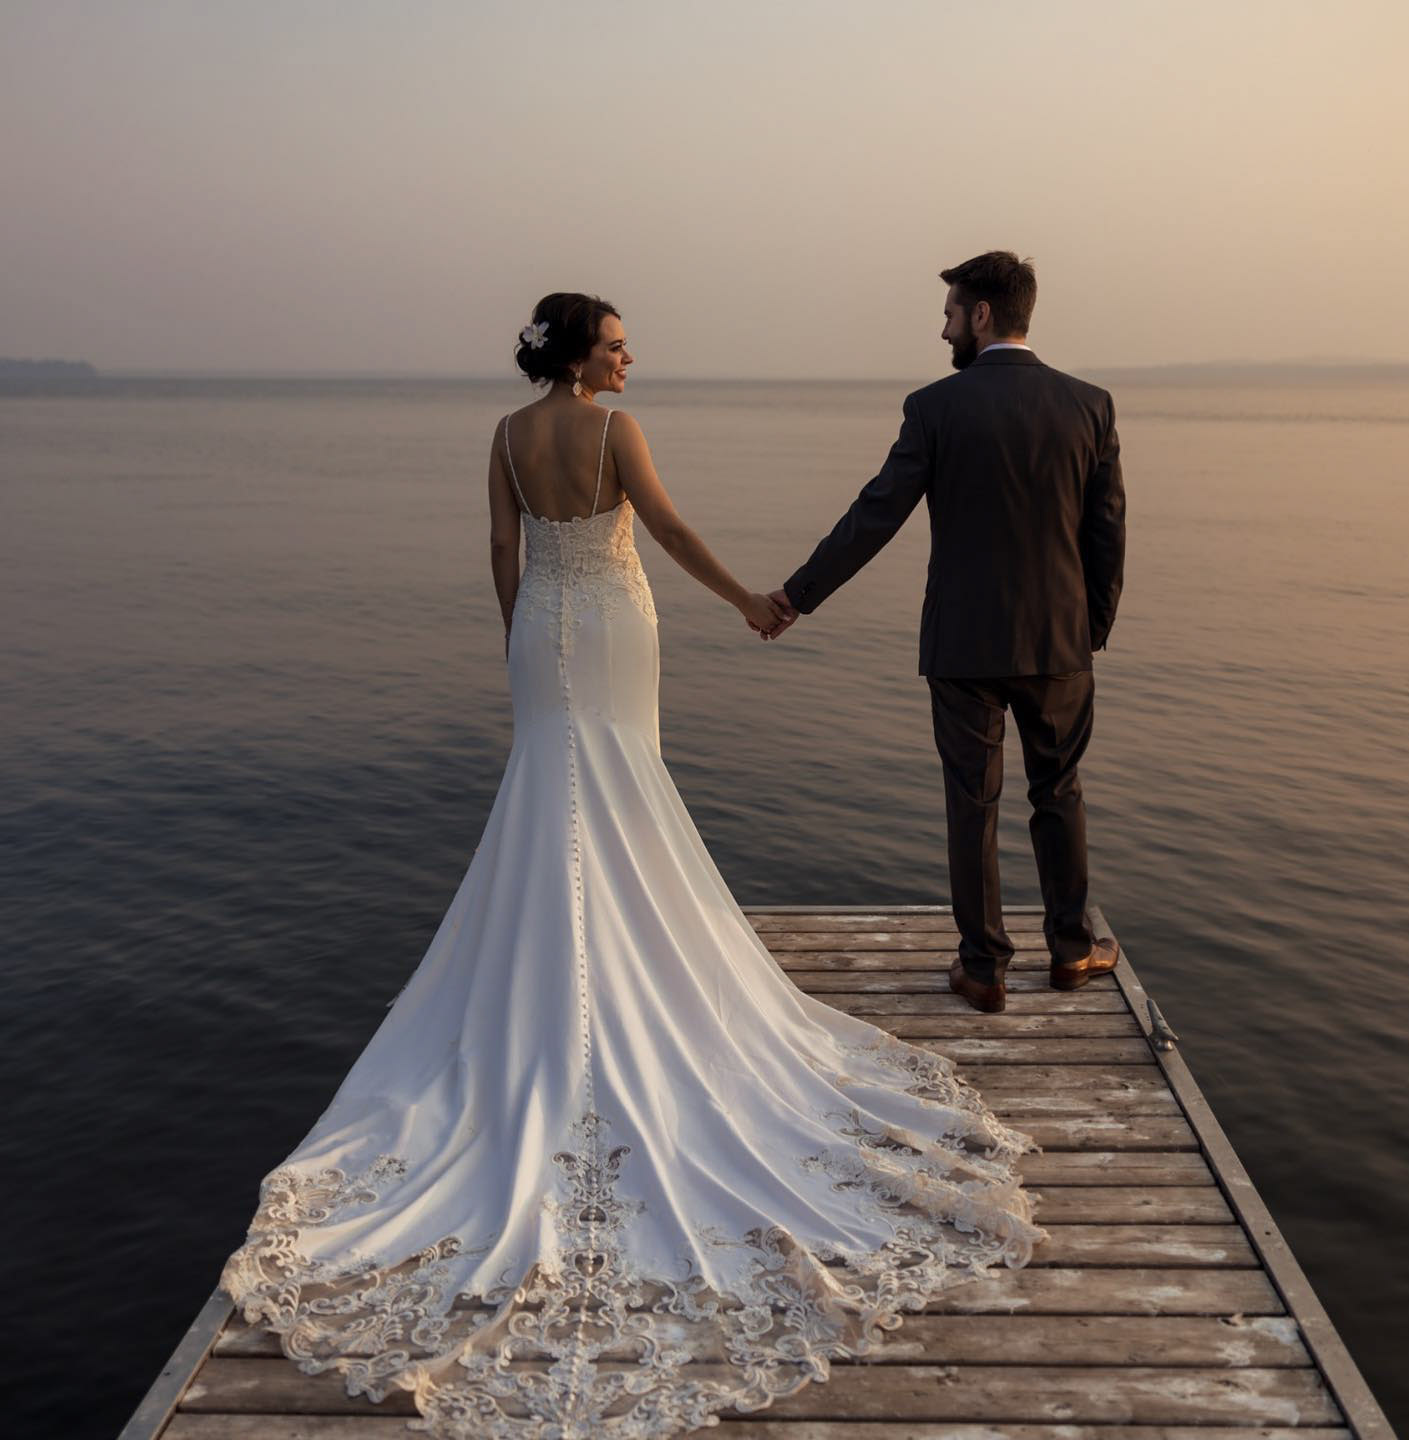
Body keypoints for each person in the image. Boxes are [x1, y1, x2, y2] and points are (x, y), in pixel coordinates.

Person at [218, 290, 1049, 1439]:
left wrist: (524, 637)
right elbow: (663, 529)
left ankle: (557, 975)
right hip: (616, 619)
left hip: (543, 631)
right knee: (623, 789)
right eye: (614, 345)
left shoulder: (508, 438)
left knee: (550, 791)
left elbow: (502, 555)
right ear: (578, 357)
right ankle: (632, 963)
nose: (628, 358)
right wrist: (754, 598)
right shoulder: (615, 434)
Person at [765, 251, 1127, 1016]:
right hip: (1060, 641)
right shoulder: (1089, 405)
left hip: (963, 643)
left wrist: (799, 594)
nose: (944, 330)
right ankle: (1070, 952)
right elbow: (1107, 530)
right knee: (1059, 793)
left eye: (951, 313)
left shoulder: (935, 408)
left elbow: (877, 515)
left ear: (984, 315)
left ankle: (984, 968)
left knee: (974, 804)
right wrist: (1090, 626)